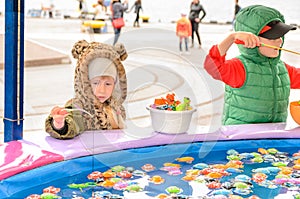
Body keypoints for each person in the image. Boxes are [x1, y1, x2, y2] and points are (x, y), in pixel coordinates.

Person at [204, 5, 300, 126]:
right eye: (273, 37)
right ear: (251, 40)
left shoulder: (282, 68)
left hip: (274, 135)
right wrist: (232, 37)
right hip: (240, 137)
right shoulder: (240, 67)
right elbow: (212, 66)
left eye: (280, 36)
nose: (279, 41)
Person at [45, 40, 128, 139]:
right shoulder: (80, 107)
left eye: (108, 84)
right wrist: (59, 123)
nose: (102, 90)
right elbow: (72, 122)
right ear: (85, 83)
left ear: (116, 85)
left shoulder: (115, 106)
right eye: (96, 83)